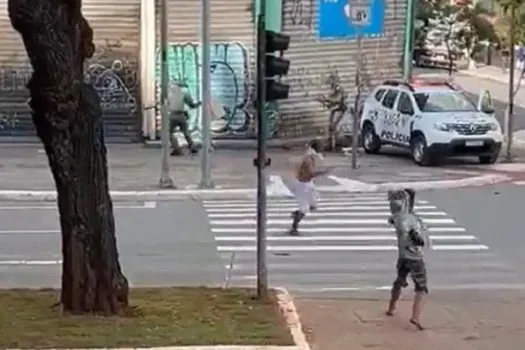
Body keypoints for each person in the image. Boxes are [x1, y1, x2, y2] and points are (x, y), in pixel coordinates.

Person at [386, 188, 430, 331]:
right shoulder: (411, 220)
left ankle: (391, 307)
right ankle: (415, 317)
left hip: (403, 257)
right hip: (415, 258)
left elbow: (393, 219)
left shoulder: (397, 218)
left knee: (399, 281)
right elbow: (420, 240)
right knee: (421, 288)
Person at [288, 139, 331, 236]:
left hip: (308, 183)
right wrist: (323, 172)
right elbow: (311, 173)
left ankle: (297, 214)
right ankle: (294, 227)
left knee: (314, 204)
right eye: (321, 147)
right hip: (303, 185)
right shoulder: (308, 158)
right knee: (304, 209)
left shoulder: (311, 156)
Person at [168, 82, 201, 156]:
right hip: (181, 115)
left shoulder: (168, 93)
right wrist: (198, 104)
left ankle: (176, 148)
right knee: (185, 132)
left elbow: (165, 104)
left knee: (169, 132)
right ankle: (192, 147)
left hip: (172, 115)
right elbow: (191, 105)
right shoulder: (184, 93)